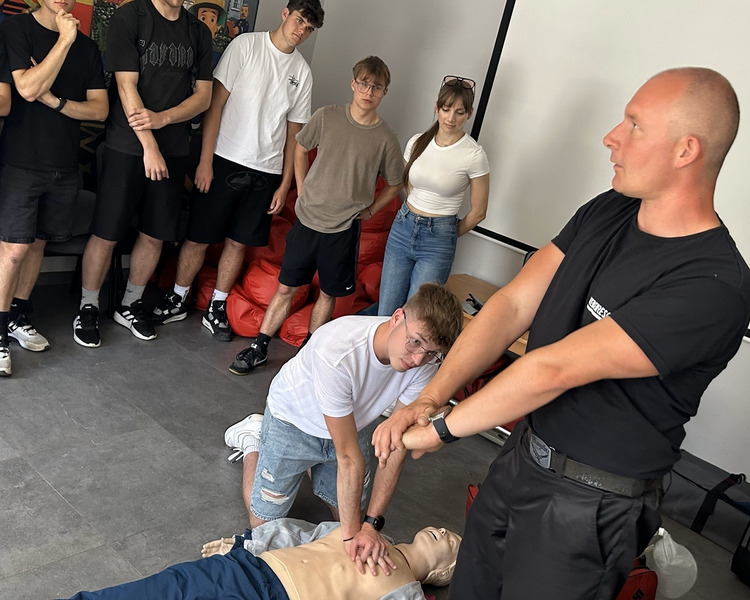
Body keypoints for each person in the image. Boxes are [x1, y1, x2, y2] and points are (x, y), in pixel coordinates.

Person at [373, 67, 750, 599]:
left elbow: (552, 369)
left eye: (634, 125)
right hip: (523, 457)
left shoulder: (713, 285)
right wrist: (429, 399)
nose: (611, 137)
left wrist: (439, 430)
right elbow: (511, 305)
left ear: (686, 150)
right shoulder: (610, 209)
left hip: (590, 505)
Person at [226, 284, 461, 572]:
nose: (417, 360)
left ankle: (317, 467)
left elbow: (396, 445)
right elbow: (349, 457)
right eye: (415, 342)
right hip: (293, 420)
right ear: (397, 317)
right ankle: (254, 439)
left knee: (348, 520)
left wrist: (371, 524)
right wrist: (351, 538)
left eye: (431, 353)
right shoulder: (338, 348)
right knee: (264, 528)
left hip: (352, 421)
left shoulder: (425, 362)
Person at [151, 0, 324, 342]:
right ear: (285, 14)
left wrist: (284, 185)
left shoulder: (302, 72)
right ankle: (178, 298)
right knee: (198, 237)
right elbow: (214, 106)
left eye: (309, 28)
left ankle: (217, 306)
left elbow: (295, 135)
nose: (301, 31)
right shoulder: (246, 45)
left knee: (238, 243)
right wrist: (205, 161)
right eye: (299, 21)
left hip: (266, 170)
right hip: (223, 158)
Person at [229, 55, 404, 373]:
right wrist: (302, 187)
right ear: (353, 84)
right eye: (364, 84)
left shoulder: (386, 139)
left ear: (384, 93)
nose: (369, 91)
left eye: (376, 87)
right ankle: (259, 347)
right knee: (286, 287)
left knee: (327, 293)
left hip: (344, 229)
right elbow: (300, 147)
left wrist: (370, 210)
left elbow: (395, 184)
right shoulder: (327, 116)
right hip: (308, 220)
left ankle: (307, 355)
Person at [72, 0, 213, 348]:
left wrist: (163, 119)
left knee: (154, 234)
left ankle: (130, 304)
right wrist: (149, 145)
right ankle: (88, 307)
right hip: (126, 145)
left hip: (174, 148)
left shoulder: (198, 31)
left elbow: (203, 97)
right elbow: (125, 86)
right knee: (106, 232)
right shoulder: (131, 16)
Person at [0, 0, 107, 377]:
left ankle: (18, 316)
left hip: (63, 164)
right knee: (13, 249)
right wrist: (63, 40)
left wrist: (55, 101)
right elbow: (26, 89)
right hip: (20, 160)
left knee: (38, 244)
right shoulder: (16, 29)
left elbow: (99, 110)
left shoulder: (88, 47)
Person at [63, 518, 461, 600]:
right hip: (246, 568)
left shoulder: (405, 592)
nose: (444, 531)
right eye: (448, 530)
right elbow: (296, 532)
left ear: (443, 571)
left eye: (453, 542)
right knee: (157, 591)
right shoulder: (365, 532)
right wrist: (246, 542)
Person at [377, 75, 490, 316]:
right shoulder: (417, 141)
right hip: (403, 227)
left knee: (417, 315)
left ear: (469, 114)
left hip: (438, 239)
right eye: (446, 109)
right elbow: (406, 181)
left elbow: (478, 212)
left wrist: (445, 234)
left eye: (459, 112)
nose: (451, 118)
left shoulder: (473, 154)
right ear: (436, 108)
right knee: (386, 311)